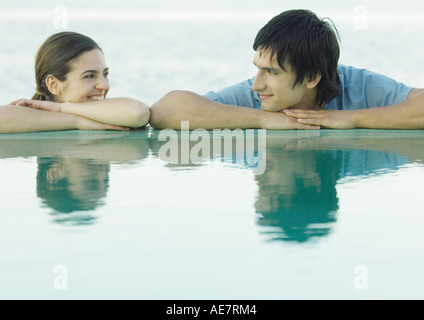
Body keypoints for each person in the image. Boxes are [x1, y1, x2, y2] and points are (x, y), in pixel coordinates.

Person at [149, 9, 424, 130]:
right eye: (258, 69)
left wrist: (351, 119)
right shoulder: (254, 97)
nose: (257, 84)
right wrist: (264, 120)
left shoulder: (357, 85)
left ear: (313, 77)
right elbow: (163, 112)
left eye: (273, 72)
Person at [0, 31, 150, 133]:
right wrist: (77, 122)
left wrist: (63, 108)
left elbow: (138, 112)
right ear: (54, 84)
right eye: (89, 76)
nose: (104, 85)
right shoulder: (30, 119)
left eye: (105, 74)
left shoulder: (107, 112)